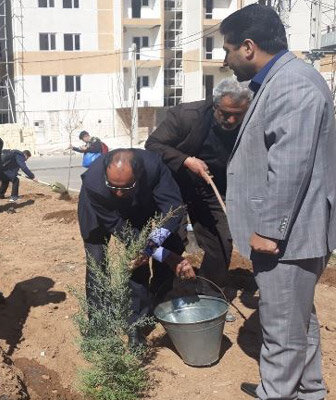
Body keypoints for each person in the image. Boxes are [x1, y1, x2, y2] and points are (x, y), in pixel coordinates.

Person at [220, 5, 336, 399]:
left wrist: (269, 231)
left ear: (249, 47)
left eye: (229, 50)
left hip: (288, 238)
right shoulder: (282, 80)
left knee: (281, 333)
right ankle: (309, 392)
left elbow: (291, 165)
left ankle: (278, 393)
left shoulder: (293, 85)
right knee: (296, 324)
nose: (226, 59)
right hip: (293, 234)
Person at [145, 78, 252, 308]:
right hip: (174, 186)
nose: (231, 120)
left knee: (223, 240)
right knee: (170, 238)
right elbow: (153, 145)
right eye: (225, 113)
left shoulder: (250, 122)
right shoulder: (186, 115)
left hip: (210, 188)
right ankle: (162, 296)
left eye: (238, 114)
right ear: (215, 105)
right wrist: (185, 160)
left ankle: (209, 297)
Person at [78, 148, 195, 346]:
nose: (117, 193)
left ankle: (140, 321)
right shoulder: (94, 183)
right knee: (97, 261)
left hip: (139, 205)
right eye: (113, 186)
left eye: (124, 187)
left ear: (139, 175)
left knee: (144, 257)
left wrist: (151, 246)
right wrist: (154, 251)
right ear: (106, 174)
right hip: (99, 211)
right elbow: (115, 224)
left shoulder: (154, 168)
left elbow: (173, 210)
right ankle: (99, 323)